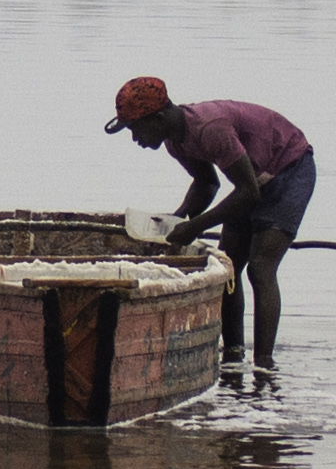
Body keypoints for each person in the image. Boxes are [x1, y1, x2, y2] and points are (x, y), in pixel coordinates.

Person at [103, 76, 315, 376]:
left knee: (260, 268)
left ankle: (264, 366)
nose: (136, 139)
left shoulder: (209, 128)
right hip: (252, 178)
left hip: (289, 168)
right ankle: (233, 357)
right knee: (227, 268)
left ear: (159, 118)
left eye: (136, 129)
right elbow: (207, 184)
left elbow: (248, 193)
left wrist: (194, 227)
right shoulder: (175, 142)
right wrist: (175, 220)